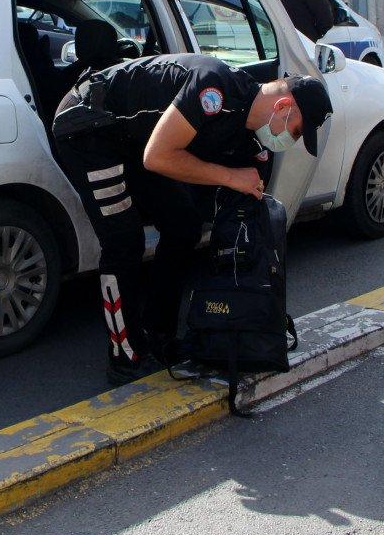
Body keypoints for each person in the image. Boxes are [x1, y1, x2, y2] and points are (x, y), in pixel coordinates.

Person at [52, 54, 331, 385]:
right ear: (283, 106)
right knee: (124, 241)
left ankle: (158, 332)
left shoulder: (250, 134)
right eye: (297, 131)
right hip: (90, 129)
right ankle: (124, 356)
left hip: (136, 139)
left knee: (183, 227)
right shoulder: (214, 88)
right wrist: (229, 176)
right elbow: (158, 157)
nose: (292, 140)